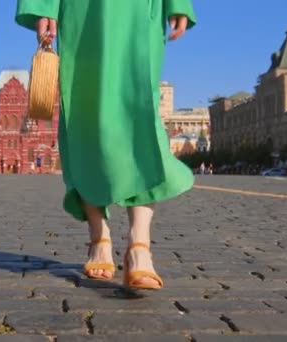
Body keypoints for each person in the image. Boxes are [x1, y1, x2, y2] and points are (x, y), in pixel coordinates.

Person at [15, 0, 196, 290]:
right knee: (87, 119)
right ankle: (99, 235)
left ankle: (140, 244)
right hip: (82, 12)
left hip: (137, 12)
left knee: (141, 119)